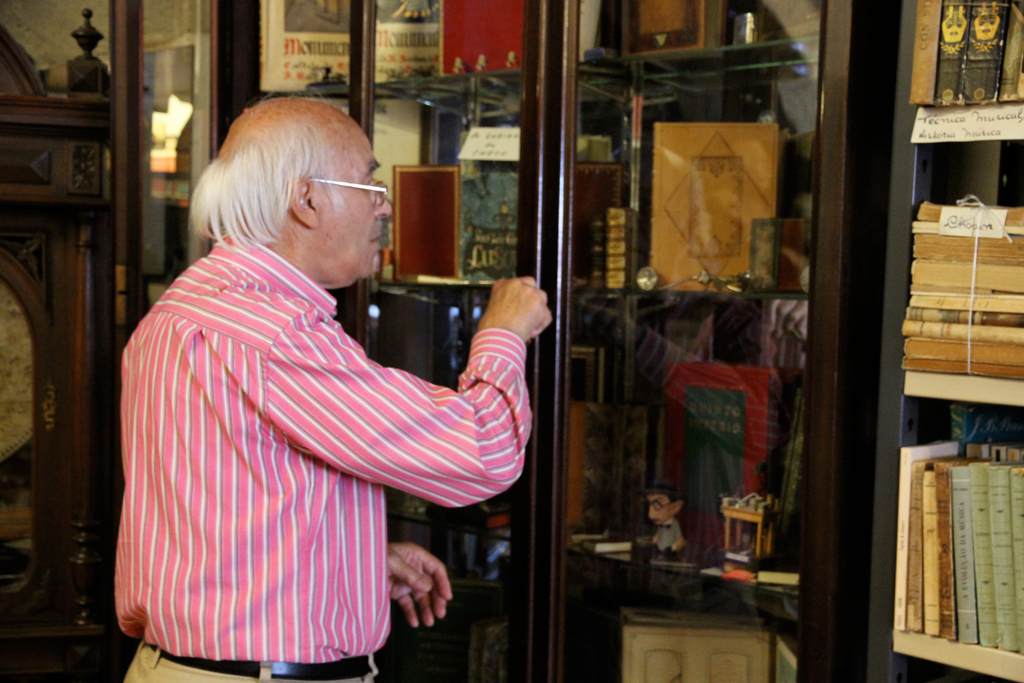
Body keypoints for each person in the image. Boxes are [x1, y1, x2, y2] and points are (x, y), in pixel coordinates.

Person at [116, 96, 552, 682]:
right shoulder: (275, 334)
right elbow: (484, 452)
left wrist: (347, 562)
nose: (385, 206)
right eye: (370, 183)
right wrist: (502, 332)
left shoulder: (178, 310)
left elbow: (218, 512)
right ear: (306, 199)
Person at [644, 478, 685, 558]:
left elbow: (680, 540)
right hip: (659, 553)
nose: (650, 515)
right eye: (649, 504)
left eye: (657, 504)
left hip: (671, 553)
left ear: (674, 507)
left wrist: (677, 545)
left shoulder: (674, 524)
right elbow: (658, 535)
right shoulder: (660, 525)